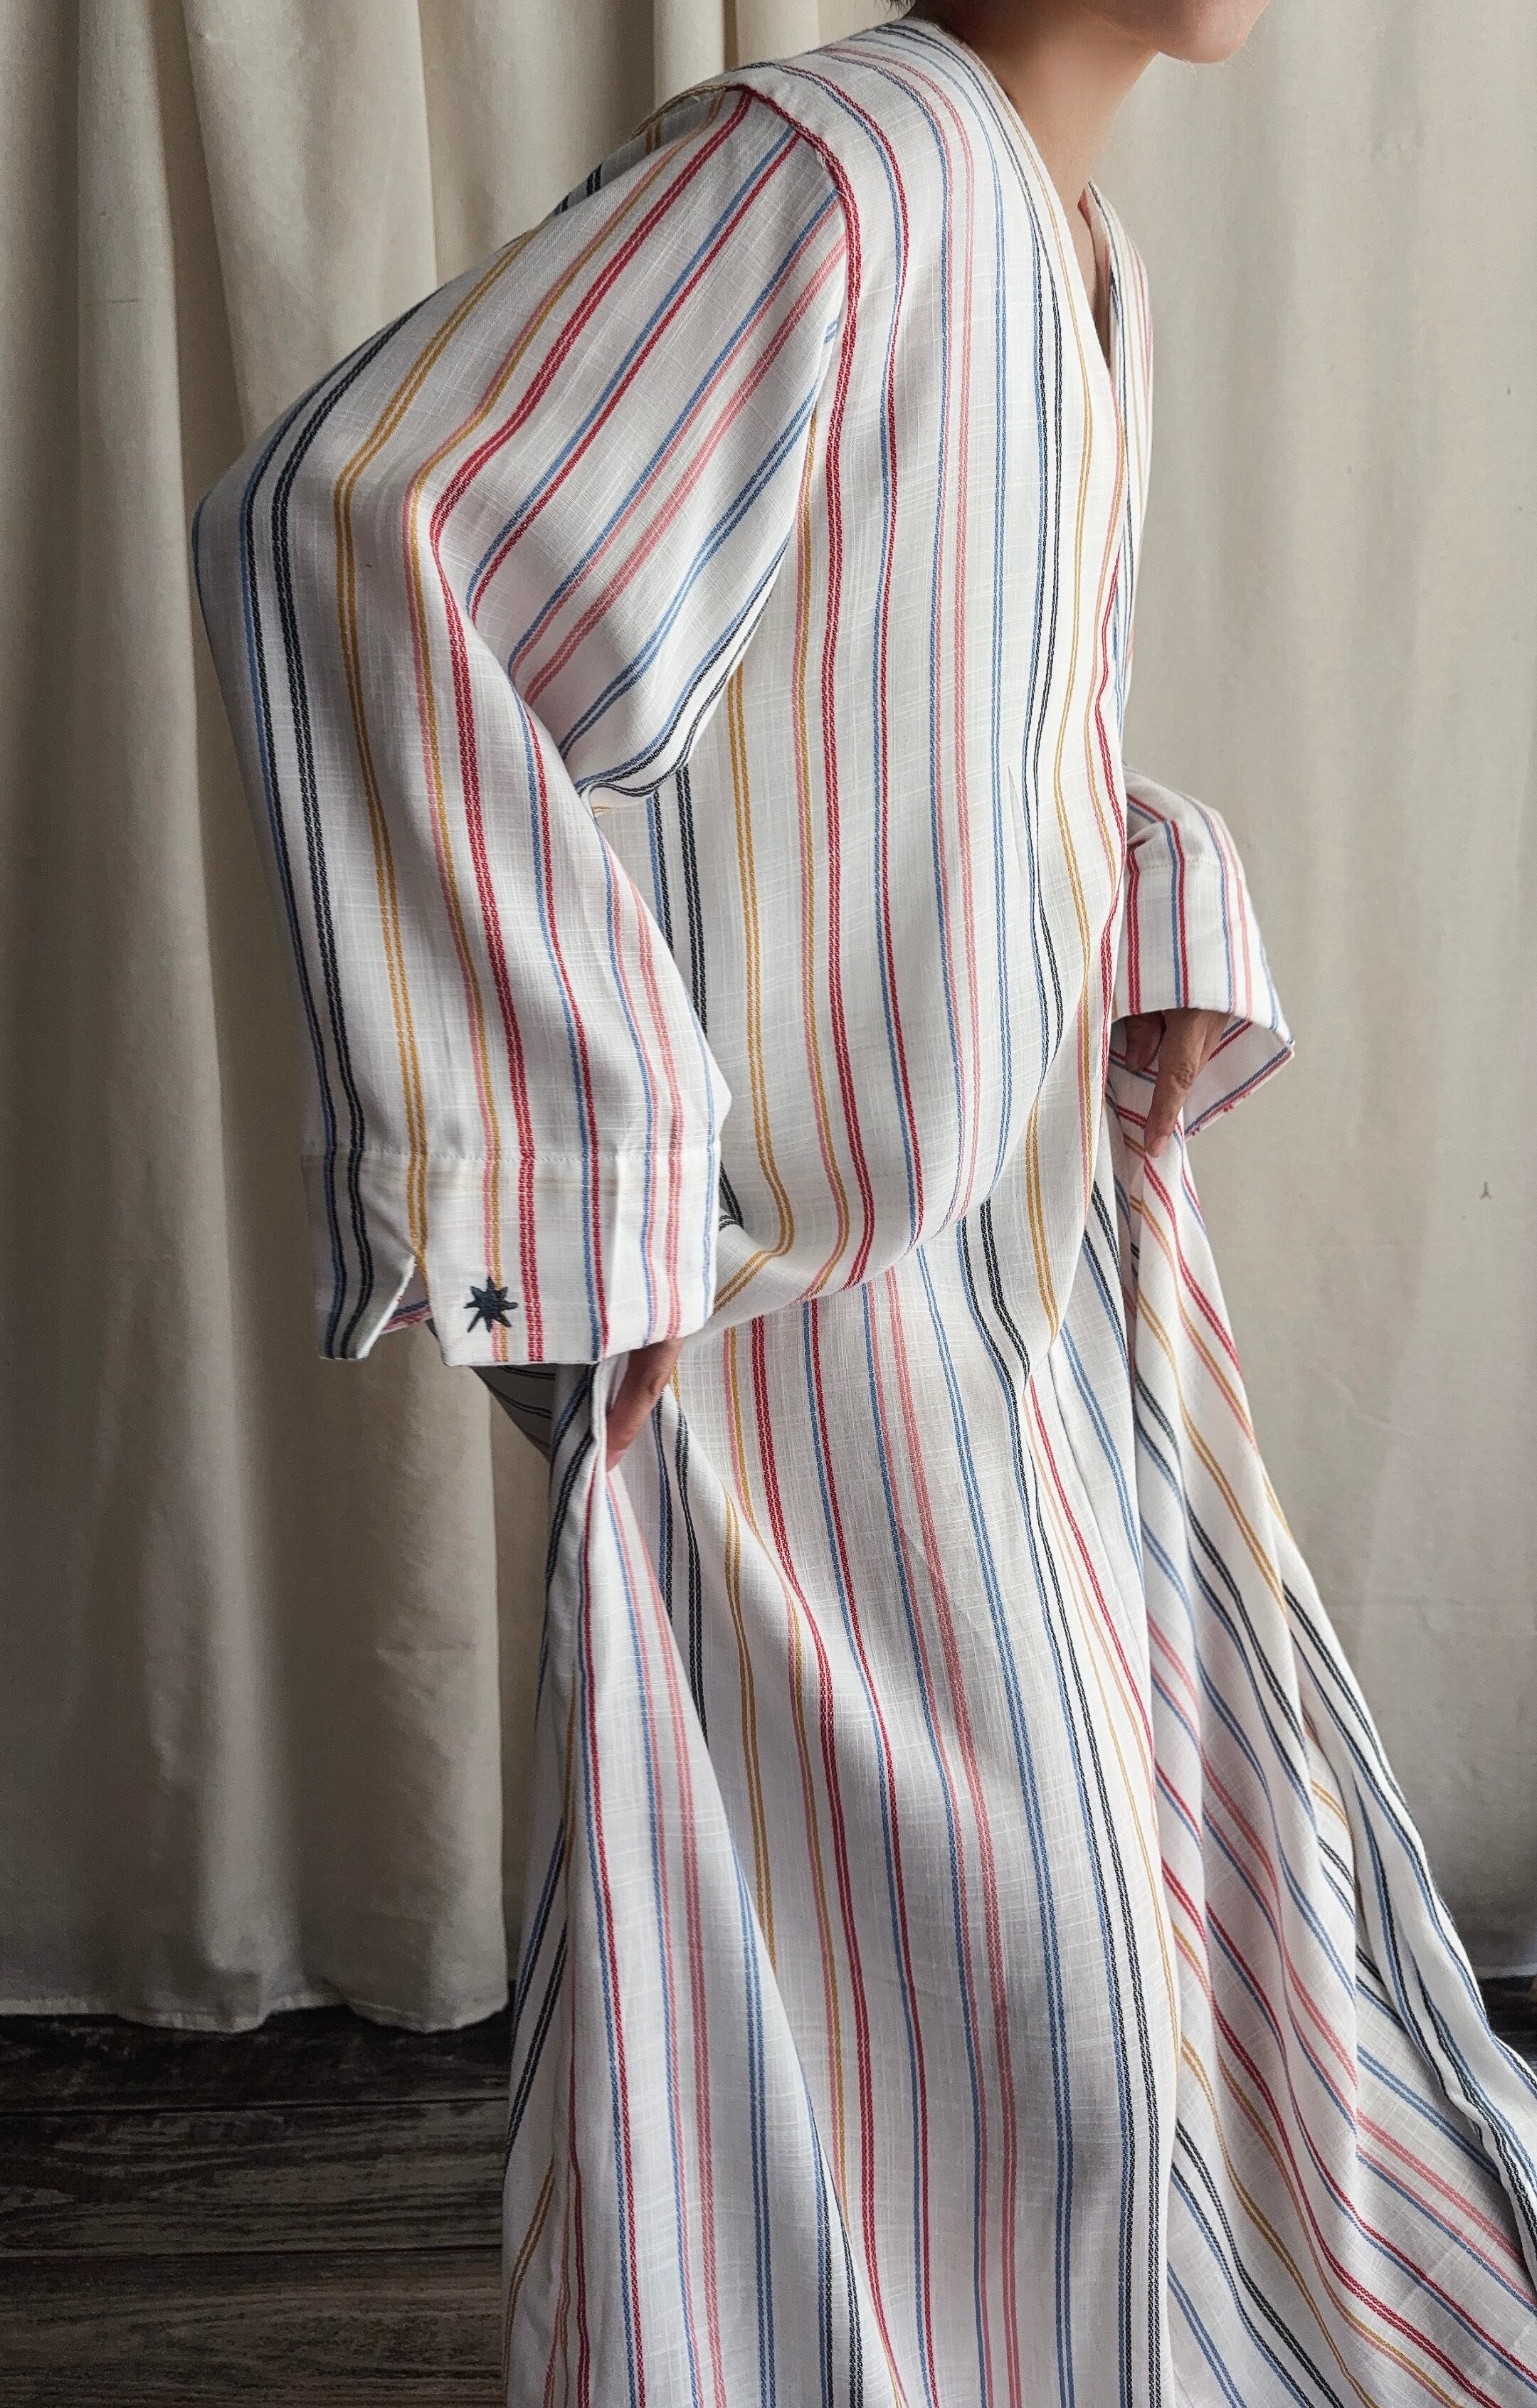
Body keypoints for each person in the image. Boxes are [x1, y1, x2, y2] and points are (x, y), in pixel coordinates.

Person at [193, 4, 1537, 2399]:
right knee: (942, 2013)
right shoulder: (846, 182)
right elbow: (357, 520)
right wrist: (601, 1171)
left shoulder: (1063, 245)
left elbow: (939, 744)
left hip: (1040, 1289)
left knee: (1152, 1964)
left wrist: (1123, 927)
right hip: (832, 1351)